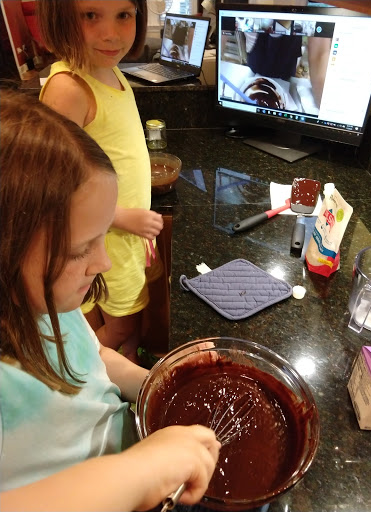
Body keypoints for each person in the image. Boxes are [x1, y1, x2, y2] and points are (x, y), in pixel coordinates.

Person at [0, 89, 220, 511]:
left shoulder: (53, 305)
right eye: (79, 250)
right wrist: (143, 470)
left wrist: (156, 384)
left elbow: (94, 358)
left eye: (102, 237)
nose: (102, 262)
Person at [37, 0, 164, 364]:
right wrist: (121, 217)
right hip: (106, 239)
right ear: (61, 19)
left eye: (123, 15)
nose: (111, 34)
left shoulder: (110, 69)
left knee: (133, 320)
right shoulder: (70, 90)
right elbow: (56, 190)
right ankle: (91, 373)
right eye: (90, 15)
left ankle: (124, 366)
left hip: (127, 238)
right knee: (119, 326)